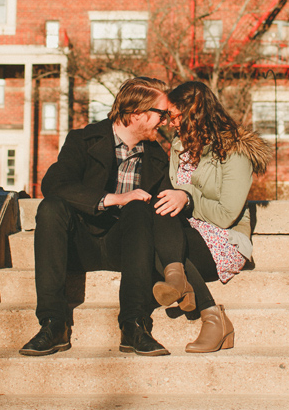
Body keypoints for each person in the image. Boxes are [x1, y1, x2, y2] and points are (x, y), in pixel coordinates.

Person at [20, 77, 181, 357]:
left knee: (140, 207)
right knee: (51, 207)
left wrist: (182, 195)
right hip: (81, 244)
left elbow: (164, 212)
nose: (166, 121)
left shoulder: (157, 156)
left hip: (128, 248)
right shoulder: (84, 139)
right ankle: (53, 323)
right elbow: (54, 184)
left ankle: (134, 324)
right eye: (162, 114)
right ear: (137, 114)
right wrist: (113, 199)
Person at [151, 81, 271, 353]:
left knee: (162, 219)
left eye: (174, 115)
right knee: (153, 215)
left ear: (194, 112)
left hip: (221, 239)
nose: (170, 124)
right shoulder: (179, 146)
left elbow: (227, 214)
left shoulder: (235, 151)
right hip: (180, 234)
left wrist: (187, 197)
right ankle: (207, 310)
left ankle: (197, 300)